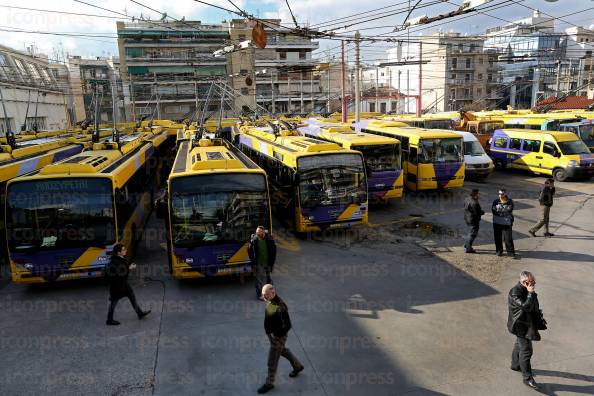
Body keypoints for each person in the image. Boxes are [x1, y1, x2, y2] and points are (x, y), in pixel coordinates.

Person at [257, 284, 304, 394]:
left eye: (265, 295)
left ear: (272, 293)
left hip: (278, 337)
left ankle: (269, 383)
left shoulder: (279, 306)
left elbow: (288, 324)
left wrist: (277, 336)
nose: (263, 297)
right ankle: (298, 366)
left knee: (272, 361)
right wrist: (269, 334)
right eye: (263, 295)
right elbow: (269, 321)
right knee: (282, 350)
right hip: (274, 336)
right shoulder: (272, 301)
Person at [508, 271, 542, 390]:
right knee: (526, 350)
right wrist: (531, 293)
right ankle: (527, 378)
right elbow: (526, 306)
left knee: (519, 344)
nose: (534, 283)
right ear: (524, 282)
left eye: (533, 281)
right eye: (531, 282)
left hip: (526, 323)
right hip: (521, 326)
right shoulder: (515, 292)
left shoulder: (525, 290)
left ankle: (515, 364)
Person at [106, 244, 150, 325]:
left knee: (132, 297)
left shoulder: (120, 258)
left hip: (124, 284)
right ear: (119, 252)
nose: (125, 250)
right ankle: (109, 320)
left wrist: (128, 267)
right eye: (123, 249)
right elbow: (120, 273)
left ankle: (140, 313)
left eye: (125, 249)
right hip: (117, 286)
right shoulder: (115, 261)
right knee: (114, 302)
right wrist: (130, 268)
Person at [248, 226, 277, 300]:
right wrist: (253, 262)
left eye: (259, 233)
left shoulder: (270, 239)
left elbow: (274, 252)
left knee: (270, 279)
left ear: (263, 232)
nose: (257, 235)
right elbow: (249, 251)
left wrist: (272, 264)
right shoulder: (254, 239)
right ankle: (259, 295)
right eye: (256, 233)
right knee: (258, 280)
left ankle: (270, 294)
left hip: (268, 263)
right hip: (259, 263)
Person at [492, 188, 519, 259]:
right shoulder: (495, 201)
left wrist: (500, 210)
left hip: (507, 223)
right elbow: (493, 210)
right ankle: (499, 251)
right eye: (499, 194)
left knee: (508, 238)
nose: (500, 195)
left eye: (502, 194)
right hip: (497, 222)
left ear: (505, 194)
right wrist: (503, 211)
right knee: (497, 238)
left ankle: (511, 252)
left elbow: (509, 210)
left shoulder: (510, 202)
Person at [463, 189, 485, 253]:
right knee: (473, 234)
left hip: (467, 218)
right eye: (478, 194)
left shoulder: (467, 199)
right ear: (476, 194)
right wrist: (482, 212)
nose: (479, 195)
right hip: (473, 220)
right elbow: (477, 213)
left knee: (470, 232)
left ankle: (466, 244)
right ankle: (468, 248)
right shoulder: (475, 203)